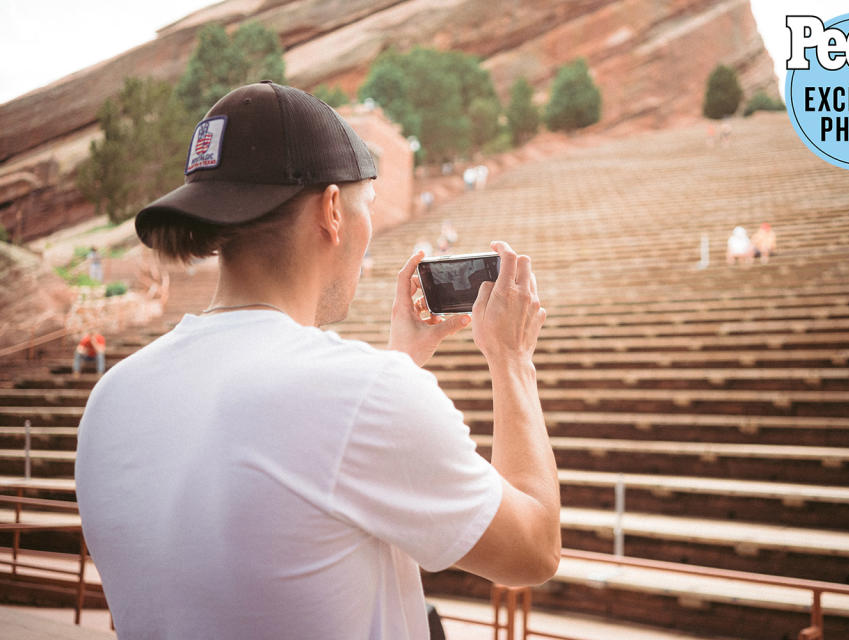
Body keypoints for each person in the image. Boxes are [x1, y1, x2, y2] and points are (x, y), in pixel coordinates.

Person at [75, 81, 560, 640]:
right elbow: (534, 550)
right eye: (366, 205)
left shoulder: (111, 398)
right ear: (332, 209)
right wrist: (512, 358)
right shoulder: (363, 394)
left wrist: (402, 361)